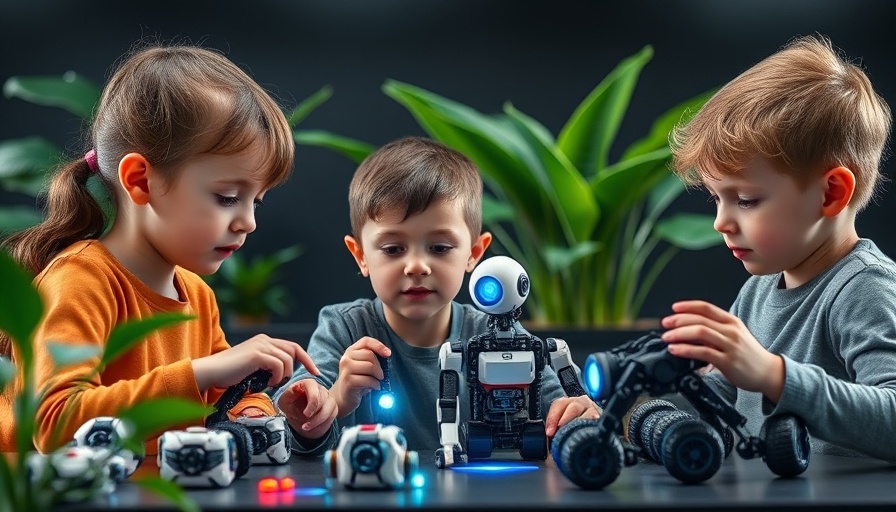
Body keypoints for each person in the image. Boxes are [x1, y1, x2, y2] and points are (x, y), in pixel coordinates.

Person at [0, 42, 319, 455]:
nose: (248, 222)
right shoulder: (79, 280)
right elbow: (55, 423)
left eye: (256, 201)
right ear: (140, 181)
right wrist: (199, 373)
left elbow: (229, 395)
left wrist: (260, 411)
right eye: (226, 197)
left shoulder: (197, 295)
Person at [274, 136, 599, 455]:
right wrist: (334, 398)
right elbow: (297, 417)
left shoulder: (497, 332)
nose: (416, 266)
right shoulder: (344, 328)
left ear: (474, 253)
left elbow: (566, 404)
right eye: (393, 248)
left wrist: (574, 414)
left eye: (440, 247)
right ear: (360, 256)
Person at [663, 34, 896, 462]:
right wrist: (613, 413)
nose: (720, 222)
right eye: (717, 198)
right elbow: (714, 398)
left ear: (831, 194)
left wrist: (773, 374)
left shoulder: (865, 289)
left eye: (746, 200)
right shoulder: (759, 291)